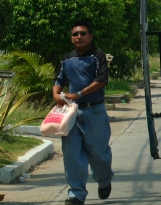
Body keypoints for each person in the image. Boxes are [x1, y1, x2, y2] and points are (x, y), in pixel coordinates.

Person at [52, 21, 113, 205]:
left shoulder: (98, 56)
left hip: (94, 111)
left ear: (90, 36)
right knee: (71, 154)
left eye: (83, 33)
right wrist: (56, 94)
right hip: (72, 112)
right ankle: (76, 194)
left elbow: (102, 80)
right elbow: (59, 79)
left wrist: (78, 93)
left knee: (98, 153)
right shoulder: (66, 59)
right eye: (75, 34)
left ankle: (104, 180)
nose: (79, 37)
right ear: (71, 38)